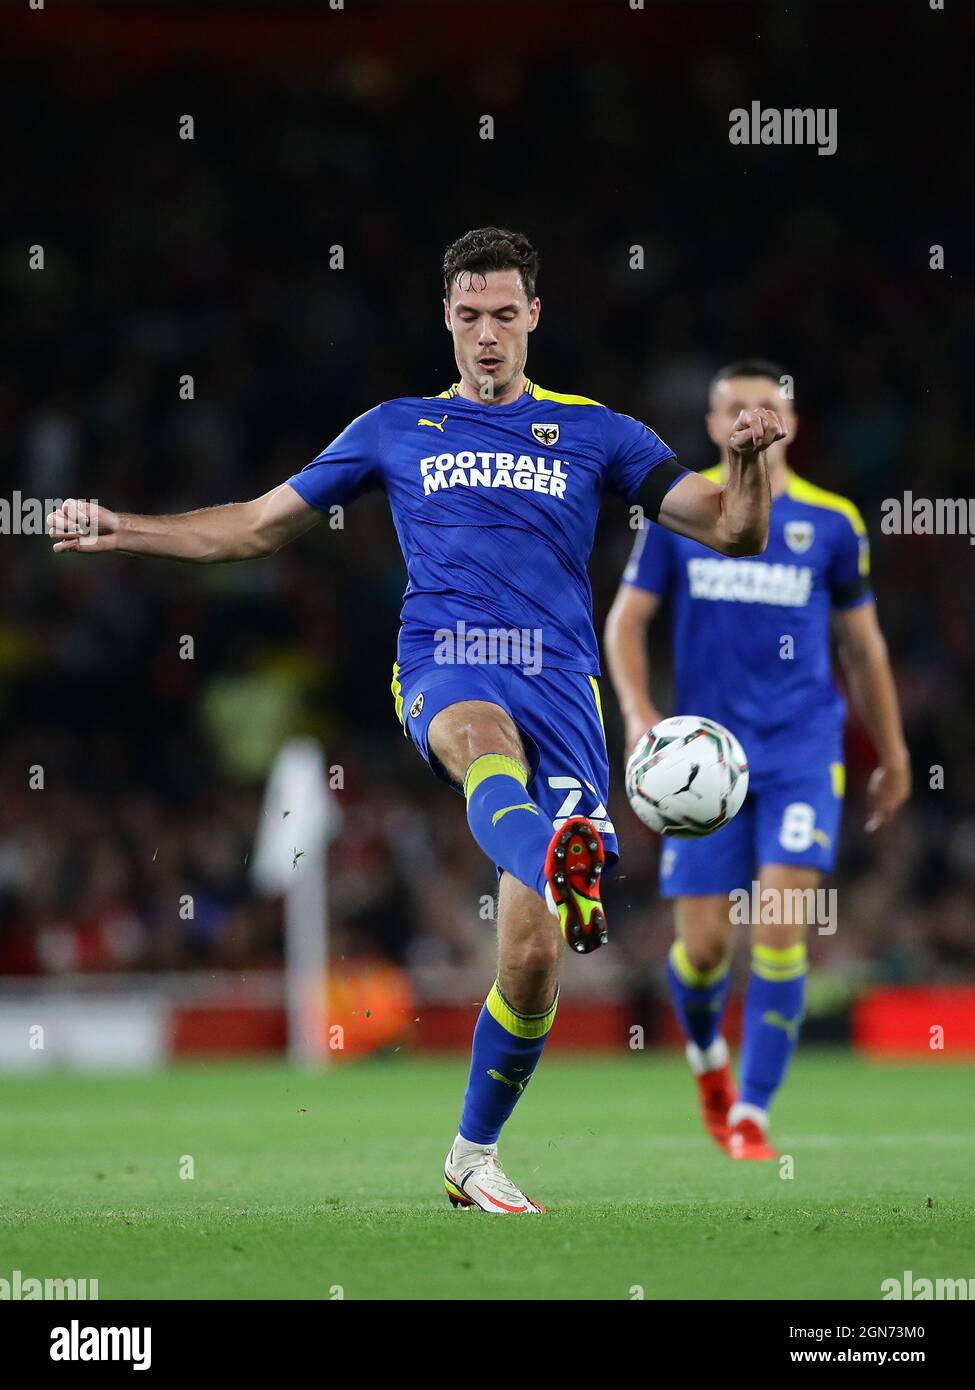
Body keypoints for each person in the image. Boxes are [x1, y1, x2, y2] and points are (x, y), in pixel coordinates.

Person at [48, 231, 785, 1210]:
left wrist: (747, 464)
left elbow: (735, 528)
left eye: (504, 315)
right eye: (469, 316)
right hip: (446, 661)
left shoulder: (599, 432)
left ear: (535, 317)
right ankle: (560, 852)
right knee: (483, 743)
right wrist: (129, 529)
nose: (487, 335)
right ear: (447, 318)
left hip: (564, 687)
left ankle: (471, 1153)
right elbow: (257, 527)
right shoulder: (395, 429)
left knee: (528, 960)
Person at [604, 360, 910, 1160]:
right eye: (734, 408)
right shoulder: (683, 513)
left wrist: (894, 748)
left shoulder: (832, 522)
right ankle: (709, 1062)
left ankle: (752, 1114)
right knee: (703, 950)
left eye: (765, 406)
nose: (750, 419)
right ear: (710, 427)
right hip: (702, 766)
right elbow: (625, 623)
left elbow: (864, 647)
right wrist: (639, 714)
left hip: (801, 749)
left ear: (791, 423)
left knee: (779, 927)